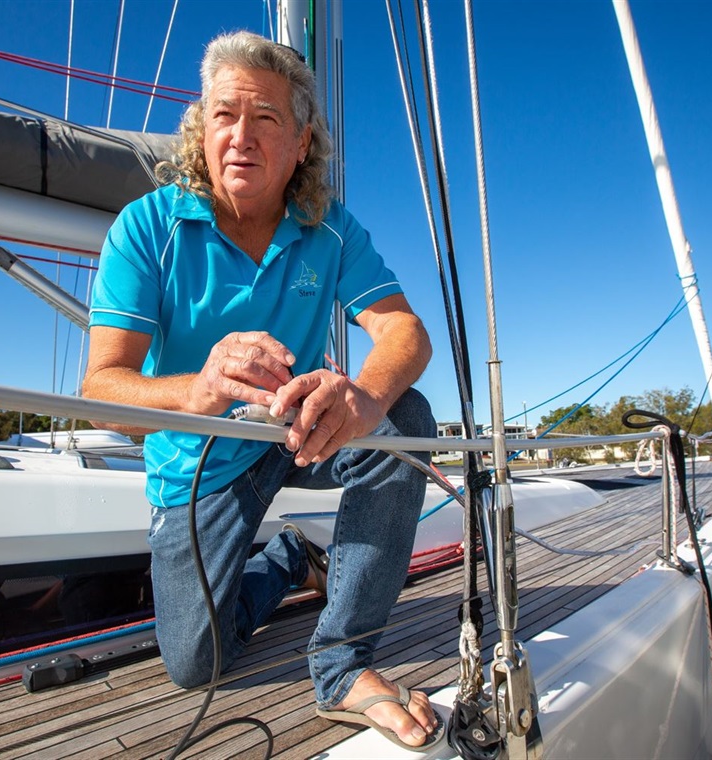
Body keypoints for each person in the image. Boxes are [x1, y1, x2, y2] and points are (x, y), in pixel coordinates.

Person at [82, 31, 442, 749]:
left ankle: (343, 662)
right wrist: (199, 390)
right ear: (202, 127)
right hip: (197, 465)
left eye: (266, 119)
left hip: (294, 433)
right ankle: (287, 560)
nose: (240, 137)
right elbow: (100, 392)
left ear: (301, 140)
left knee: (405, 420)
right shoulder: (145, 230)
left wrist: (365, 398)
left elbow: (405, 331)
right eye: (223, 116)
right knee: (195, 663)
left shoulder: (329, 230)